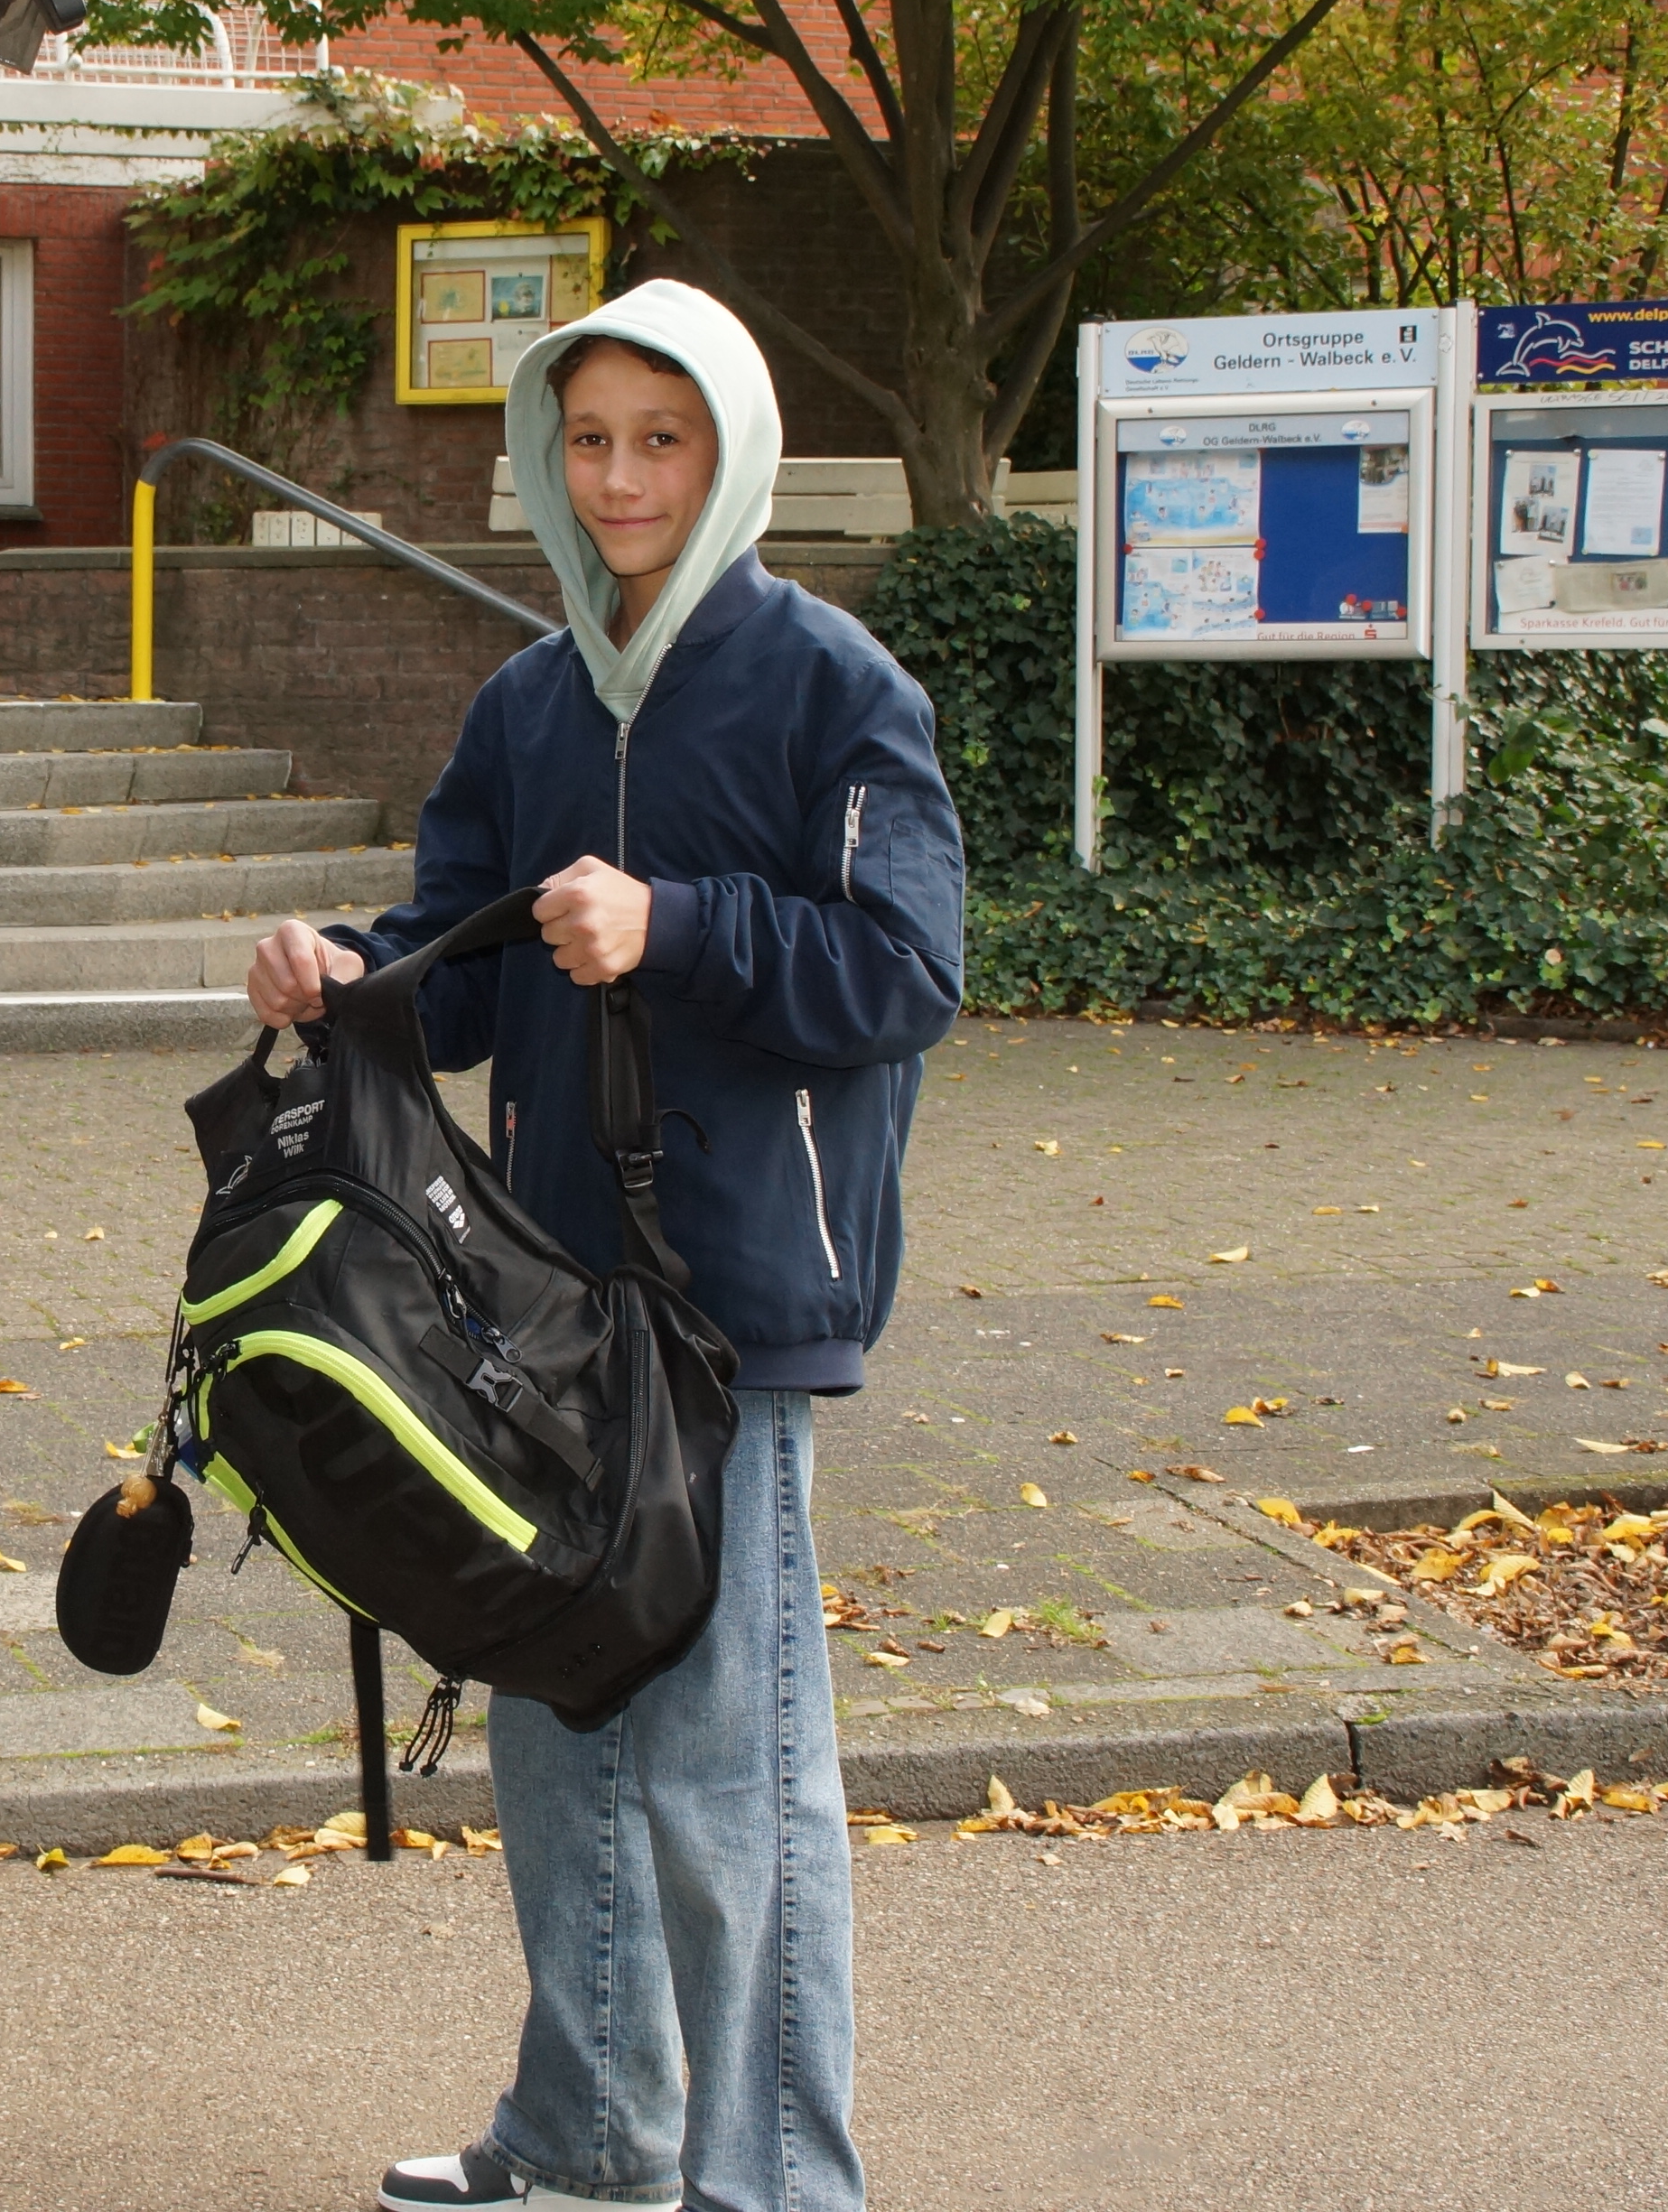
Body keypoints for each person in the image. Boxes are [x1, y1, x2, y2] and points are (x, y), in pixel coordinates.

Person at [247, 279, 964, 2212]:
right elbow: (460, 969)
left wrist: (680, 927)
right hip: (535, 1311)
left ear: (733, 451)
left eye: (663, 438)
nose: (622, 477)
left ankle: (773, 2185)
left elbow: (906, 973)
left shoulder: (832, 687)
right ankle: (587, 2136)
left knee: (733, 1777)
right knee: (562, 1731)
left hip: (739, 1318)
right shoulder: (528, 699)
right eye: (588, 440)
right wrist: (344, 973)